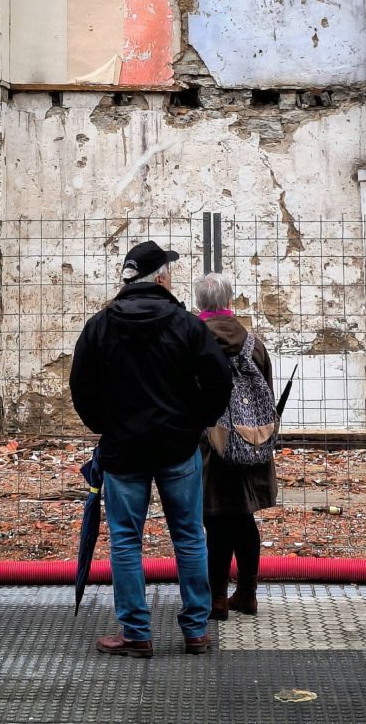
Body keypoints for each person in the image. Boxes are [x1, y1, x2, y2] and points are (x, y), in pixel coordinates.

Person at [70, 240, 232, 658]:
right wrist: (197, 423)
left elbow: (81, 387)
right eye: (169, 271)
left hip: (123, 451)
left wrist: (104, 427)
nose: (172, 276)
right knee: (190, 537)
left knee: (126, 541)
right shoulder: (188, 326)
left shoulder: (100, 326)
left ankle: (136, 633)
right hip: (178, 448)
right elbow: (219, 382)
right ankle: (196, 630)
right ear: (159, 277)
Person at [194, 273, 278, 620]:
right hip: (251, 442)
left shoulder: (193, 340)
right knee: (244, 519)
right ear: (229, 301)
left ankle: (216, 599)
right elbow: (268, 392)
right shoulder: (253, 342)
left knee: (215, 522)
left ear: (200, 303)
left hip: (212, 445)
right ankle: (247, 593)